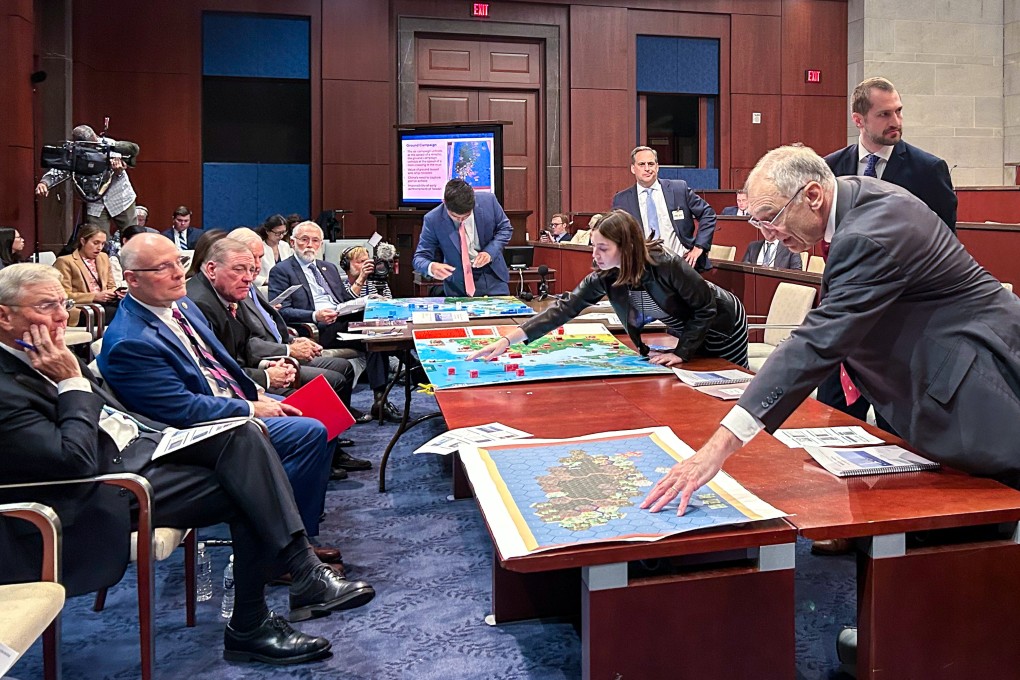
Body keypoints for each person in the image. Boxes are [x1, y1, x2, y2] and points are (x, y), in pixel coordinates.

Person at [0, 264, 375, 664]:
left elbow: (119, 418)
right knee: (247, 481)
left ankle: (282, 591)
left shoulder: (46, 353)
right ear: (4, 315)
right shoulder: (19, 378)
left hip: (142, 453)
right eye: (46, 306)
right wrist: (71, 381)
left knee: (245, 439)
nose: (61, 317)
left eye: (64, 303)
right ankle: (269, 607)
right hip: (98, 492)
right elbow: (74, 461)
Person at [641, 144, 1020, 517]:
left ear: (813, 195)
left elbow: (820, 338)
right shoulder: (851, 200)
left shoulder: (870, 230)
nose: (768, 234)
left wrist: (719, 447)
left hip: (976, 387)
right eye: (757, 222)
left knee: (985, 526)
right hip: (935, 381)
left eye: (771, 217)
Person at [97, 234, 340, 542]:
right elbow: (181, 410)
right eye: (163, 268)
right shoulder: (130, 340)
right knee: (310, 431)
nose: (177, 273)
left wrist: (253, 390)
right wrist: (251, 407)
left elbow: (219, 362)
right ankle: (282, 547)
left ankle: (299, 528)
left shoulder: (180, 304)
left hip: (228, 399)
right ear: (131, 279)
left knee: (324, 413)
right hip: (199, 432)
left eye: (179, 263)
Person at [186, 237, 372, 478]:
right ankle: (324, 455)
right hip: (245, 380)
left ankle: (331, 447)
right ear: (212, 267)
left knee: (341, 369)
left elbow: (253, 338)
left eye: (255, 264)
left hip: (271, 354)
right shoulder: (209, 300)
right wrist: (269, 371)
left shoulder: (232, 289)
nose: (251, 274)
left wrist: (287, 346)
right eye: (242, 266)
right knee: (327, 386)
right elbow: (228, 363)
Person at [468, 209, 749, 369]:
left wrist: (684, 350)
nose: (595, 255)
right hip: (688, 325)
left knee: (723, 376)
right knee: (687, 375)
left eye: (603, 248)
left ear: (626, 248)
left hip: (722, 322)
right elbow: (564, 309)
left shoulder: (665, 263)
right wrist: (507, 341)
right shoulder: (605, 276)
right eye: (594, 246)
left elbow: (705, 308)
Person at [268, 221, 400, 423]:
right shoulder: (282, 271)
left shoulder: (328, 268)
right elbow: (280, 311)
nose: (309, 245)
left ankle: (380, 400)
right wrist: (315, 315)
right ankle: (403, 378)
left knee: (377, 331)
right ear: (293, 242)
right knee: (374, 332)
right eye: (304, 240)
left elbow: (343, 301)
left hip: (342, 320)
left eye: (314, 240)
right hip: (315, 328)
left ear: (321, 244)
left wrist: (362, 302)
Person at [824, 77, 957, 232]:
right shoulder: (831, 167)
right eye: (884, 114)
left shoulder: (928, 169)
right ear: (858, 120)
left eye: (898, 111)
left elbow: (945, 240)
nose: (896, 122)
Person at [611, 146, 718, 271]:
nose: (647, 169)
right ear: (633, 168)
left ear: (657, 167)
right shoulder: (622, 200)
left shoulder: (678, 189)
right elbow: (616, 234)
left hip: (681, 265)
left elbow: (708, 214)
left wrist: (699, 247)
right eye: (642, 164)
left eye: (651, 164)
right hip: (643, 269)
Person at [412, 179, 513, 297]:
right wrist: (431, 267)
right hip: (457, 286)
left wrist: (489, 252)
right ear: (444, 202)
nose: (461, 220)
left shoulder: (489, 201)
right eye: (455, 216)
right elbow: (419, 258)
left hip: (494, 278)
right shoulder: (433, 219)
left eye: (466, 216)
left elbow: (505, 229)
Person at [35, 124, 137, 233]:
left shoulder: (110, 146)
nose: (94, 146)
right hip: (95, 203)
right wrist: (44, 183)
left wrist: (119, 170)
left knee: (132, 234)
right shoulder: (73, 151)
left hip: (120, 197)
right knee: (98, 239)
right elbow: (59, 169)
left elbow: (131, 158)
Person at [53, 224, 124, 324]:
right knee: (116, 313)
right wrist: (94, 296)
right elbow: (63, 295)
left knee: (131, 308)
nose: (100, 247)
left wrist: (114, 293)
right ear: (83, 241)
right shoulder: (65, 262)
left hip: (104, 303)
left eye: (103, 244)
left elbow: (111, 285)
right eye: (96, 243)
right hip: (81, 308)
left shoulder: (103, 257)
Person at [255, 214, 293, 286]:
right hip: (264, 287)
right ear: (267, 231)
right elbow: (250, 275)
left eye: (284, 232)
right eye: (278, 233)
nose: (281, 236)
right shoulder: (258, 247)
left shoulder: (285, 246)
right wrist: (266, 281)